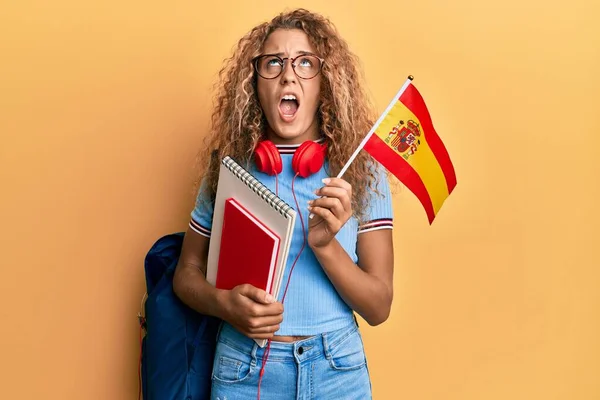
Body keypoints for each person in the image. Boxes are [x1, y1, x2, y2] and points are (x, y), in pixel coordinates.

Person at [173, 8, 395, 400]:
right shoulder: (229, 166)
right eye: (273, 62)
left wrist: (325, 246)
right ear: (255, 82)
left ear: (325, 82)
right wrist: (224, 304)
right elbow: (186, 274)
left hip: (337, 370)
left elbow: (379, 308)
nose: (288, 75)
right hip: (244, 367)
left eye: (305, 62)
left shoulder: (359, 170)